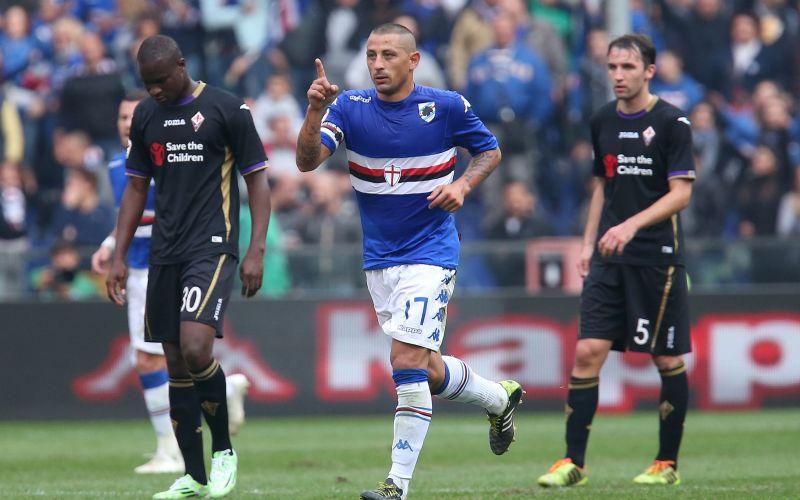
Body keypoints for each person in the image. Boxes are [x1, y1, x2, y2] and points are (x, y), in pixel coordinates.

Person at [296, 23, 523, 500]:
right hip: (380, 258)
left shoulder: (445, 106)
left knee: (404, 361)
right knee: (427, 368)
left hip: (432, 251)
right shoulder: (349, 108)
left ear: (413, 60)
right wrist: (315, 110)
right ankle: (498, 399)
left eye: (388, 56)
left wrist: (462, 185)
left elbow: (490, 152)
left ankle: (396, 484)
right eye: (372, 55)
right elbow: (307, 161)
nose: (378, 64)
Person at [106, 35, 271, 499]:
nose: (155, 90)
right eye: (147, 84)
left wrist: (255, 248)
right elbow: (136, 188)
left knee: (197, 348)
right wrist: (118, 255)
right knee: (174, 361)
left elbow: (257, 179)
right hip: (164, 252)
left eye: (161, 81)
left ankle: (223, 451)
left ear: (182, 65)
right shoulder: (145, 115)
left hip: (212, 247)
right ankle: (193, 477)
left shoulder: (227, 108)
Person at [537, 34, 695, 488]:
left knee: (665, 359)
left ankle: (666, 464)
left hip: (656, 257)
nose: (619, 76)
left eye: (628, 67)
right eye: (612, 67)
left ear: (649, 70)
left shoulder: (672, 123)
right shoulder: (602, 120)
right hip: (609, 255)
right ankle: (573, 463)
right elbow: (602, 187)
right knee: (588, 351)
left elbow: (681, 193)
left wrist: (630, 227)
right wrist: (588, 243)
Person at [92, 90, 251, 475]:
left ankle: (171, 447)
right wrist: (112, 243)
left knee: (155, 358)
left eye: (133, 116)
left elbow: (161, 214)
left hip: (166, 264)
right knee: (154, 358)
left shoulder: (168, 154)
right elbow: (129, 217)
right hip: (139, 267)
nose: (127, 123)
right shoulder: (118, 166)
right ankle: (219, 395)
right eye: (121, 117)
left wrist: (116, 245)